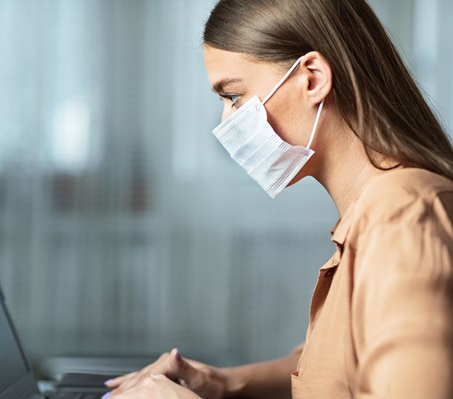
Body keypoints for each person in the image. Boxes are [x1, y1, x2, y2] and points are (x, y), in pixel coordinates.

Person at [102, 0, 453, 397]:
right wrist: (220, 383)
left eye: (233, 96)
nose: (225, 121)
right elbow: (339, 368)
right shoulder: (374, 210)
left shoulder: (402, 216)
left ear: (313, 79)